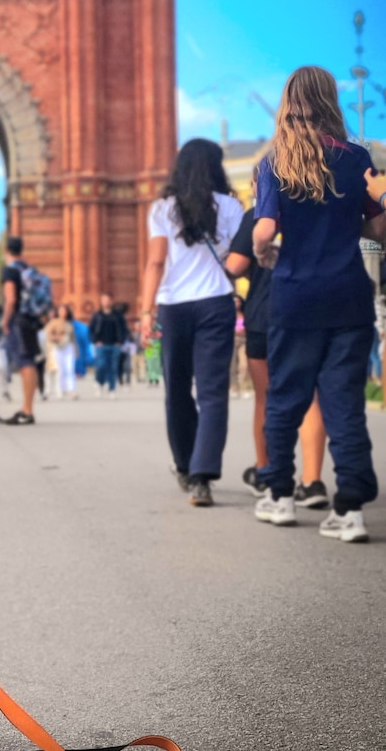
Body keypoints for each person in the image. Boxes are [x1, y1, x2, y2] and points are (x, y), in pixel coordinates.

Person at [252, 66, 386, 541]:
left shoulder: (275, 163)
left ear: (289, 101)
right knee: (343, 403)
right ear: (331, 100)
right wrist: (379, 195)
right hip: (349, 296)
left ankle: (281, 497)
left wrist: (262, 248)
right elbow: (378, 230)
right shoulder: (356, 157)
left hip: (295, 297)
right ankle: (349, 509)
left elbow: (265, 230)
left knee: (285, 400)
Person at [139, 139, 243, 508]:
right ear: (216, 167)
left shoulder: (162, 209)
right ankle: (202, 476)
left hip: (173, 308)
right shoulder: (231, 206)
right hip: (216, 305)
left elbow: (155, 262)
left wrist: (145, 311)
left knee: (177, 391)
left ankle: (185, 466)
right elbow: (236, 260)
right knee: (213, 394)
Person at [226, 166, 330, 509]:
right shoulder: (317, 208)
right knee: (311, 394)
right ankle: (312, 481)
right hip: (312, 309)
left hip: (266, 313)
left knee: (266, 398)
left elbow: (236, 266)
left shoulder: (257, 214)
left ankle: (267, 472)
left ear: (260, 183)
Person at [1, 235, 45, 425]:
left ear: (6, 251)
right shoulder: (28, 268)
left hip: (18, 320)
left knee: (24, 362)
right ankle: (28, 407)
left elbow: (10, 298)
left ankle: (26, 410)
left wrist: (5, 320)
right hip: (31, 319)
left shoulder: (10, 270)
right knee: (31, 361)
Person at [89, 294, 126, 396]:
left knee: (113, 367)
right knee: (101, 366)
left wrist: (121, 341)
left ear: (112, 301)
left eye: (108, 300)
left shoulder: (118, 315)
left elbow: (124, 329)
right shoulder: (97, 315)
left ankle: (112, 389)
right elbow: (91, 330)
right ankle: (100, 383)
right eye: (104, 300)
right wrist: (95, 341)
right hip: (101, 345)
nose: (106, 302)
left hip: (115, 345)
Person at [44, 303, 78, 400]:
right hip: (57, 347)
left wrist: (76, 350)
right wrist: (56, 337)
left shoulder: (69, 324)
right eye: (61, 310)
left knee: (70, 368)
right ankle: (60, 389)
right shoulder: (53, 322)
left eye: (65, 311)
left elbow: (73, 338)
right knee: (60, 369)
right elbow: (48, 334)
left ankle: (71, 389)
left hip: (68, 347)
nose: (63, 312)